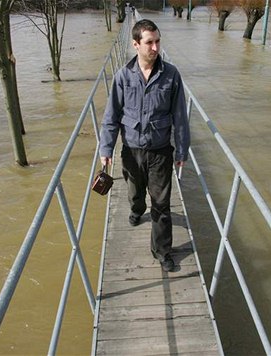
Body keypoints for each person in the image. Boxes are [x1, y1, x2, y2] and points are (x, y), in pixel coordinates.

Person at [99, 19, 190, 272]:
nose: (155, 47)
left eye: (158, 41)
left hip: (160, 150)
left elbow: (180, 117)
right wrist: (106, 149)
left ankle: (162, 251)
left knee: (161, 203)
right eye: (149, 42)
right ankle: (137, 209)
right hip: (131, 149)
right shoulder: (123, 76)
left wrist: (182, 150)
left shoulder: (171, 75)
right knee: (135, 191)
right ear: (135, 44)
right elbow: (111, 116)